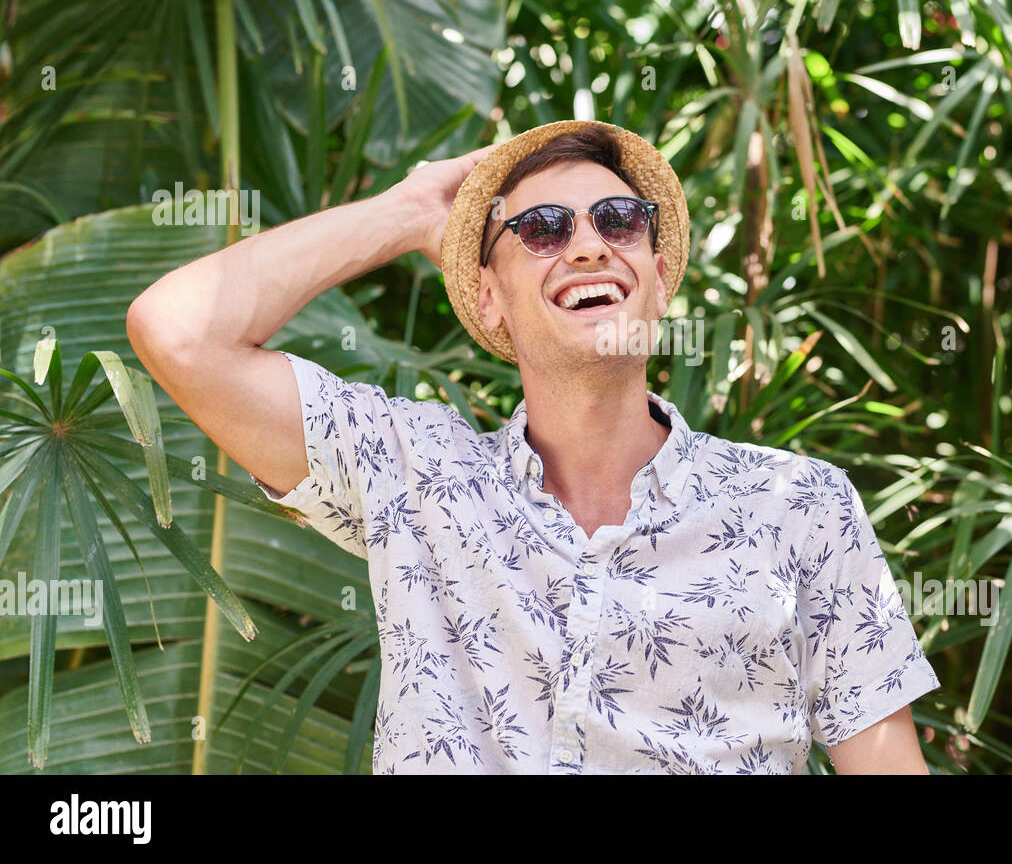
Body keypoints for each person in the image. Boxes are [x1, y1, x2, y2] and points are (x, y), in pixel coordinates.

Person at [127, 119, 940, 774]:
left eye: (618, 221)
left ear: (658, 275)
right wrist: (410, 214)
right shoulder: (413, 476)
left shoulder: (800, 505)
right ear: (488, 297)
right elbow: (179, 333)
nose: (588, 244)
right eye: (543, 229)